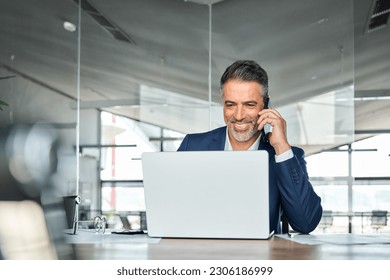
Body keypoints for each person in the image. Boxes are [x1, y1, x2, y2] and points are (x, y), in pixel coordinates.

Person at [177, 60, 322, 234]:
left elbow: (306, 223)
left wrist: (282, 147)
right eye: (231, 105)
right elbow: (172, 209)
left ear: (266, 105)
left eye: (249, 105)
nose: (238, 116)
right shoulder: (192, 146)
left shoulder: (285, 156)